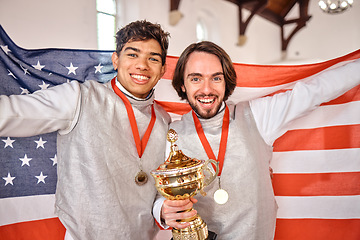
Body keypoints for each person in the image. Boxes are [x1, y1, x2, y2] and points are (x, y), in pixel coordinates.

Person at [153, 41, 360, 239]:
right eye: (196, 78)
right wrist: (162, 210)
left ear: (226, 82)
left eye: (216, 78)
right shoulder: (172, 134)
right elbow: (158, 194)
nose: (206, 89)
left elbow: (314, 92)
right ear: (182, 85)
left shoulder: (258, 116)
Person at [0, 20, 171, 240]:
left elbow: (158, 192)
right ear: (116, 60)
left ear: (163, 69)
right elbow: (11, 113)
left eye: (153, 58)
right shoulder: (79, 98)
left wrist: (163, 211)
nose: (142, 65)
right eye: (132, 54)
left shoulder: (164, 121)